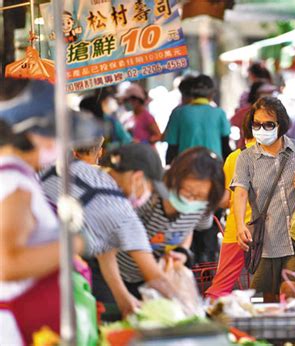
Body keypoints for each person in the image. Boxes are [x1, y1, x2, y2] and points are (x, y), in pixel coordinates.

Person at [0, 78, 92, 343]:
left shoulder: (17, 176)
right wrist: (73, 242)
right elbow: (7, 264)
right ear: (28, 133)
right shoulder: (13, 184)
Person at [40, 145, 180, 318]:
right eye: (150, 189)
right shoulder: (122, 214)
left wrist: (122, 298)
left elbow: (105, 252)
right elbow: (156, 277)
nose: (149, 197)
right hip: (36, 271)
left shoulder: (78, 168)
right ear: (137, 178)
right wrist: (188, 309)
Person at [232, 96, 295, 302]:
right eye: (256, 124)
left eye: (268, 124)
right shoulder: (246, 158)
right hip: (266, 239)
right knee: (270, 299)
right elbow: (239, 192)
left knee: (290, 291)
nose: (261, 129)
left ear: (281, 125)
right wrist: (240, 225)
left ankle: (292, 333)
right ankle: (276, 332)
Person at [103, 145, 225, 297]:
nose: (191, 199)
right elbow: (109, 246)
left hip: (152, 280)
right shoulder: (147, 194)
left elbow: (188, 228)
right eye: (187, 191)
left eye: (199, 196)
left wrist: (182, 251)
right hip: (115, 275)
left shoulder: (202, 204)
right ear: (175, 177)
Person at [206, 113, 256, 299]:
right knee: (276, 288)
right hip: (272, 231)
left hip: (238, 230)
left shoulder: (234, 158)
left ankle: (211, 320)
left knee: (220, 287)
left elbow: (225, 199)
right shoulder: (278, 156)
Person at [165, 74, 231, 164]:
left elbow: (172, 148)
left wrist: (169, 169)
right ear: (211, 94)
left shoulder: (178, 113)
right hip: (214, 166)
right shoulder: (219, 113)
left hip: (186, 166)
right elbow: (225, 147)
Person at [232, 81, 278, 151]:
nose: (270, 96)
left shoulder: (276, 113)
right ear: (257, 95)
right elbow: (233, 125)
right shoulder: (245, 112)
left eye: (271, 93)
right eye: (266, 93)